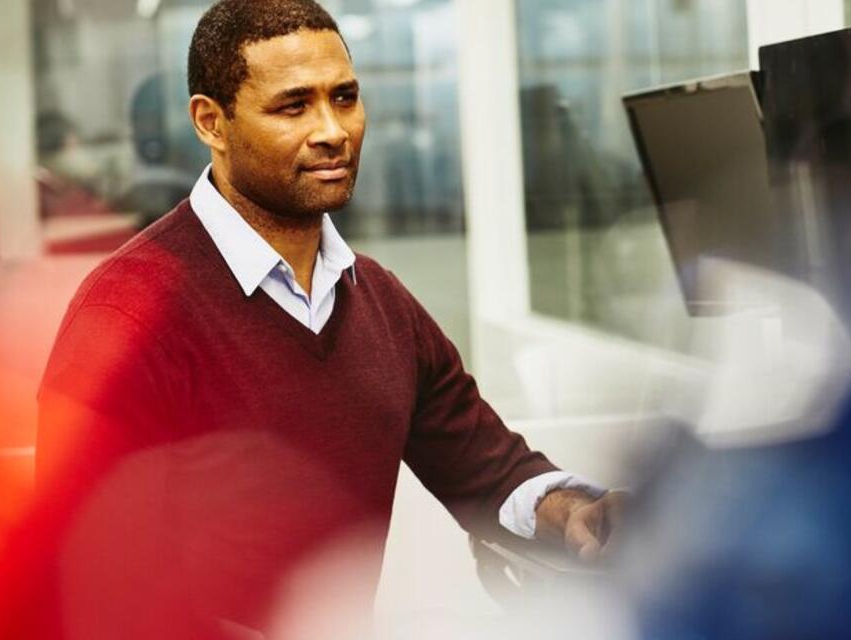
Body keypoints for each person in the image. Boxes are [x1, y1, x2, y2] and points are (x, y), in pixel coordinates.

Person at [35, 0, 625, 636]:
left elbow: (489, 470)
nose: (332, 130)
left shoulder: (379, 301)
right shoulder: (125, 316)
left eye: (344, 98)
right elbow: (88, 588)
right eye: (294, 106)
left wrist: (572, 511)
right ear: (212, 122)